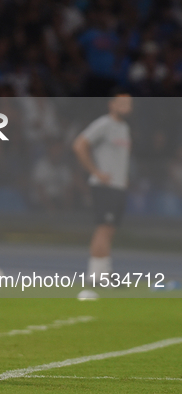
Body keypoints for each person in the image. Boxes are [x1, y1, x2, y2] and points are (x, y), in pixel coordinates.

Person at [73, 91, 132, 282]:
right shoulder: (104, 124)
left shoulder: (124, 128)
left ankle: (102, 273)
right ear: (112, 104)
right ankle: (97, 275)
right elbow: (80, 144)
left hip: (118, 187)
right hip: (105, 186)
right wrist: (95, 171)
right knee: (103, 228)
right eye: (121, 103)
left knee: (110, 229)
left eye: (129, 104)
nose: (126, 108)